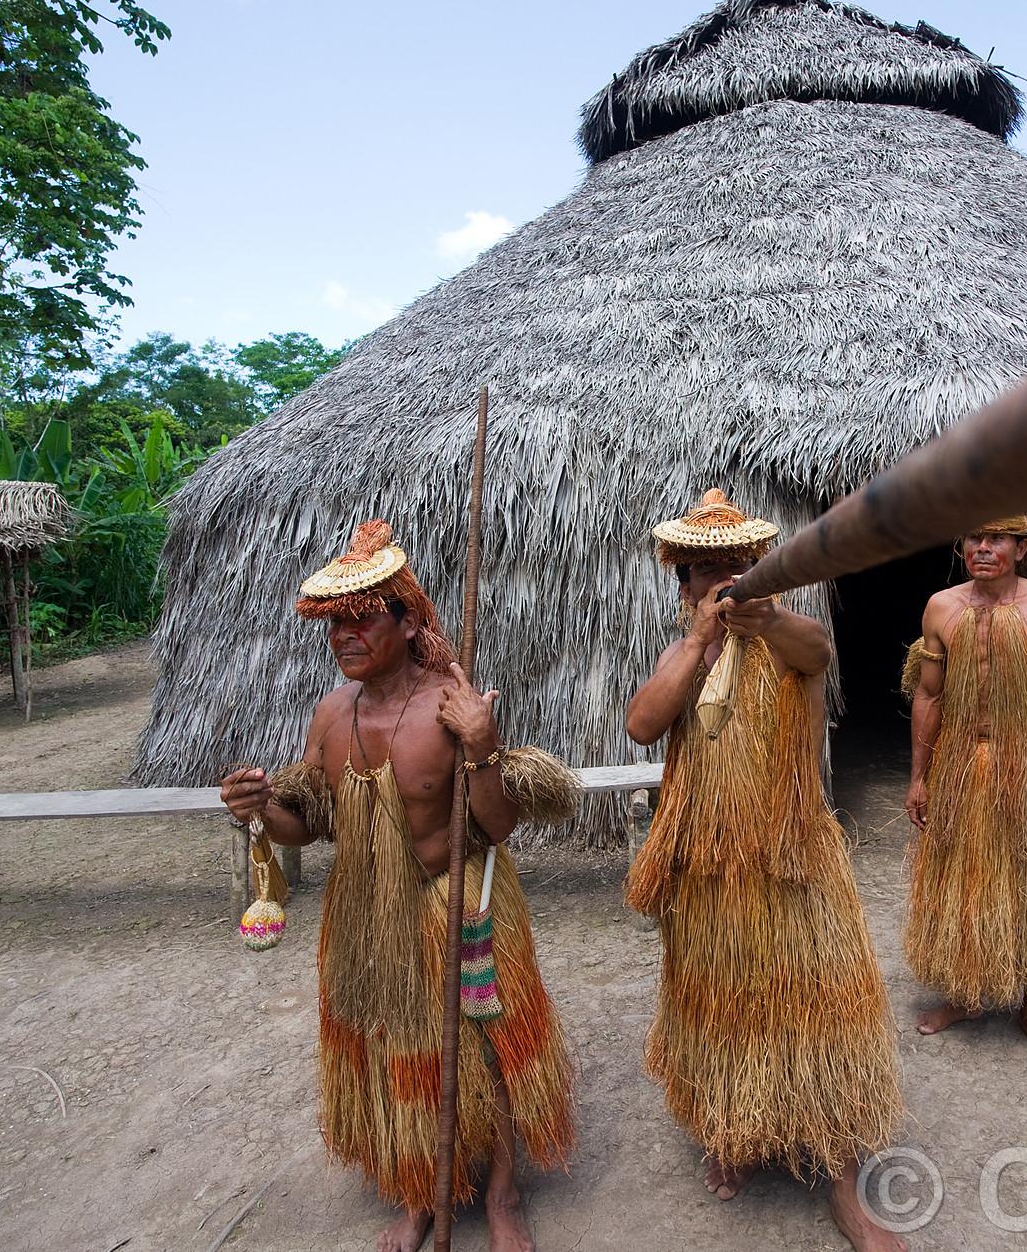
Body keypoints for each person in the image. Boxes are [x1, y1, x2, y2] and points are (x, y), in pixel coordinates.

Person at [220, 520, 574, 1252]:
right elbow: (307, 825)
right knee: (391, 1052)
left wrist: (481, 746)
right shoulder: (330, 716)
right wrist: (260, 810)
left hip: (459, 900)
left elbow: (498, 825)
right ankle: (418, 1196)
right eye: (333, 622)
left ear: (409, 620)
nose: (344, 635)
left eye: (362, 616)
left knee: (488, 1044)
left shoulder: (453, 701)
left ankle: (503, 1194)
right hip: (368, 916)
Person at [624, 488, 906, 1252]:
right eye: (701, 573)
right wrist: (696, 642)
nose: (720, 583)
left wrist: (764, 615)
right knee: (719, 1011)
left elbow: (817, 649)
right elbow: (643, 723)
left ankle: (844, 1187)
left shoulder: (793, 640)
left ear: (765, 570)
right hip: (709, 877)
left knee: (825, 1017)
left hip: (792, 863)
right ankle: (733, 1129)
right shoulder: (680, 654)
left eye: (737, 569)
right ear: (681, 586)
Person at [902, 514, 1027, 1066]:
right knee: (963, 876)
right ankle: (967, 995)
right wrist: (920, 775)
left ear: (1020, 547)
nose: (983, 548)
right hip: (963, 761)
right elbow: (929, 696)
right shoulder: (941, 608)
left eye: (996, 539)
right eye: (973, 537)